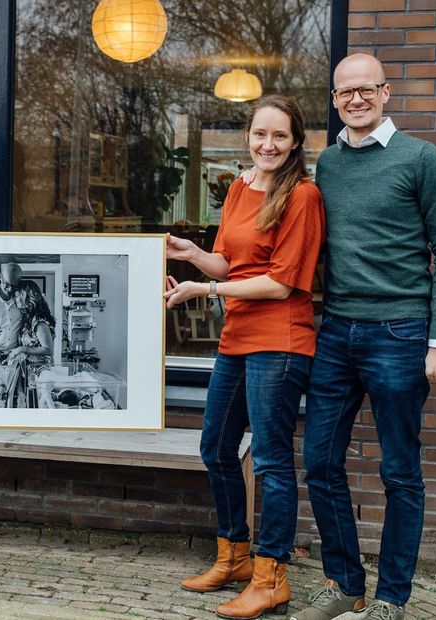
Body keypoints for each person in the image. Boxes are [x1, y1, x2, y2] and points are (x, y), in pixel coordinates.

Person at [274, 53, 436, 620]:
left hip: (401, 333)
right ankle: (346, 584)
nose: (354, 100)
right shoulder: (328, 165)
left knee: (400, 470)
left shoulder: (421, 159)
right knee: (321, 462)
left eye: (365, 90)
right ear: (334, 101)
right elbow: (286, 202)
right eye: (344, 93)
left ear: (385, 92)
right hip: (335, 331)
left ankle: (391, 598)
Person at [165, 94, 324, 620]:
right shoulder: (239, 186)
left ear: (296, 142)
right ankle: (232, 556)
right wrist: (193, 259)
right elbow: (229, 263)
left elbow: (280, 284)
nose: (268, 145)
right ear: (248, 137)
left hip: (281, 342)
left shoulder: (302, 196)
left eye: (280, 136)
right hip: (237, 338)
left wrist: (205, 293)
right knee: (215, 446)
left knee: (274, 462)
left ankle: (270, 576)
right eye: (260, 134)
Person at [7, 279, 56, 368]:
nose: (15, 299)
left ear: (27, 296)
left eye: (18, 295)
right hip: (29, 370)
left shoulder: (39, 321)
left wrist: (22, 349)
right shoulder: (28, 319)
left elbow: (48, 349)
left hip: (41, 372)